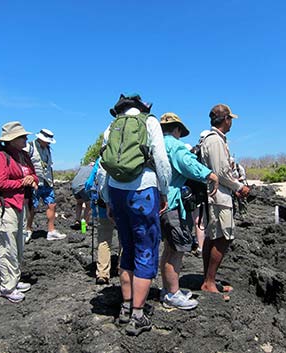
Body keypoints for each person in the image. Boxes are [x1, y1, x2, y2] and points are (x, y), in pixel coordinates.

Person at [98, 93, 171, 336]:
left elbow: (103, 167)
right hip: (144, 190)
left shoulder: (112, 125)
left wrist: (107, 199)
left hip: (117, 193)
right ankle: (138, 316)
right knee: (146, 248)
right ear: (142, 107)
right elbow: (161, 159)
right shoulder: (149, 122)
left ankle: (125, 308)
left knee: (127, 249)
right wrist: (164, 190)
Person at [159, 113, 218, 310]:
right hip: (174, 203)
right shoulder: (174, 146)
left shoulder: (156, 146)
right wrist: (209, 174)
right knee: (176, 251)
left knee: (168, 249)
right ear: (177, 129)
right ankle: (173, 294)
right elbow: (188, 165)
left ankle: (167, 289)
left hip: (160, 203)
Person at [200, 104, 249, 301]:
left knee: (214, 236)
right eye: (230, 119)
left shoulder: (214, 140)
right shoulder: (215, 141)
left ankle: (208, 279)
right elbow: (221, 172)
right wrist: (239, 187)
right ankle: (209, 282)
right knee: (223, 237)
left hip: (216, 195)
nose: (231, 123)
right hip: (219, 197)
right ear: (226, 119)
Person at [0, 121, 38, 303]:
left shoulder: (24, 156)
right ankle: (7, 287)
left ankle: (15, 279)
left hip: (20, 205)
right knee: (7, 246)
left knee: (18, 244)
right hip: (5, 206)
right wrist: (22, 182)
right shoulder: (2, 157)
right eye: (22, 136)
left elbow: (34, 174)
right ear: (12, 140)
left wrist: (30, 179)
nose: (26, 138)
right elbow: (0, 183)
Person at [25, 128, 66, 242]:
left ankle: (51, 231)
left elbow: (49, 166)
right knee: (32, 207)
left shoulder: (48, 149)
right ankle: (28, 230)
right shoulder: (30, 147)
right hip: (35, 182)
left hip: (47, 182)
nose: (48, 142)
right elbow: (24, 164)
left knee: (52, 205)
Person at [85, 158, 118, 285]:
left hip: (104, 205)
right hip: (123, 202)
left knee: (104, 238)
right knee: (125, 237)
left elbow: (89, 184)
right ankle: (123, 268)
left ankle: (103, 273)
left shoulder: (101, 159)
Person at [70, 163, 94, 230]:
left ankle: (77, 221)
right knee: (89, 205)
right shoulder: (94, 169)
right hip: (83, 186)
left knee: (79, 203)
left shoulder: (82, 167)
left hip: (74, 186)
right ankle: (84, 224)